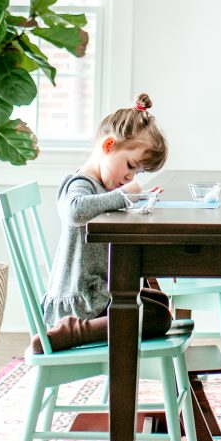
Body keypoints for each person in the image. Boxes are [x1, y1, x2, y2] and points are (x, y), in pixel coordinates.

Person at [31, 93, 173, 354]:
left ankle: (85, 329)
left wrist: (136, 201)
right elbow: (75, 212)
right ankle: (70, 333)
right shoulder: (80, 183)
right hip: (78, 298)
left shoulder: (104, 188)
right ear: (108, 146)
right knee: (157, 318)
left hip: (97, 291)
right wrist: (123, 196)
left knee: (160, 303)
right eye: (130, 166)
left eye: (137, 172)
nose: (129, 176)